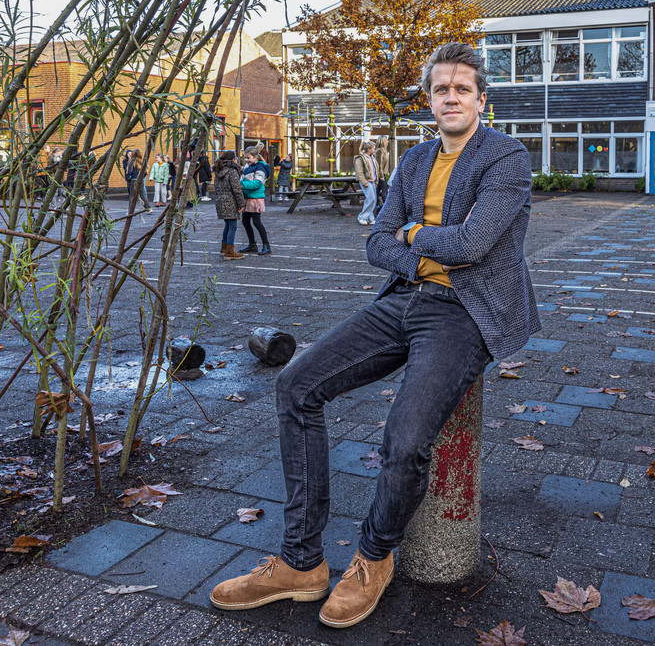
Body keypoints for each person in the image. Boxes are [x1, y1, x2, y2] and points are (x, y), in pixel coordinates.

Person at [208, 42, 540, 629]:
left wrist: (411, 236)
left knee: (405, 439)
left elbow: (471, 247)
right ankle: (301, 562)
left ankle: (372, 557)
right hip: (405, 299)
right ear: (430, 100)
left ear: (482, 100)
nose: (452, 97)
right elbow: (375, 242)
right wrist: (419, 242)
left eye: (464, 88)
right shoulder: (413, 162)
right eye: (442, 89)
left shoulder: (506, 158)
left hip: (467, 311)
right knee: (296, 385)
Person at [213, 150, 246, 260]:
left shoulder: (218, 170)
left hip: (220, 200)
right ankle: (230, 252)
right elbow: (236, 189)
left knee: (228, 224)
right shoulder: (232, 171)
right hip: (230, 200)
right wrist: (241, 203)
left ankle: (224, 248)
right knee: (233, 225)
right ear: (233, 159)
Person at [239, 147, 272, 255]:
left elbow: (257, 183)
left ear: (255, 157)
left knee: (257, 222)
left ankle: (266, 245)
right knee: (245, 222)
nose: (246, 160)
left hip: (255, 198)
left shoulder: (260, 168)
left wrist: (241, 185)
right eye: (245, 158)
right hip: (248, 198)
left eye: (248, 158)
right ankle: (252, 245)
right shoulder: (249, 167)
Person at [353, 141, 378, 226]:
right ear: (369, 149)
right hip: (366, 181)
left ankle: (370, 218)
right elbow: (359, 172)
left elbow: (376, 170)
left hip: (372, 181)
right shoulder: (361, 158)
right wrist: (364, 182)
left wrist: (376, 181)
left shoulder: (372, 157)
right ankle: (362, 217)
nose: (375, 150)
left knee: (374, 199)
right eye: (373, 148)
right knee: (370, 199)